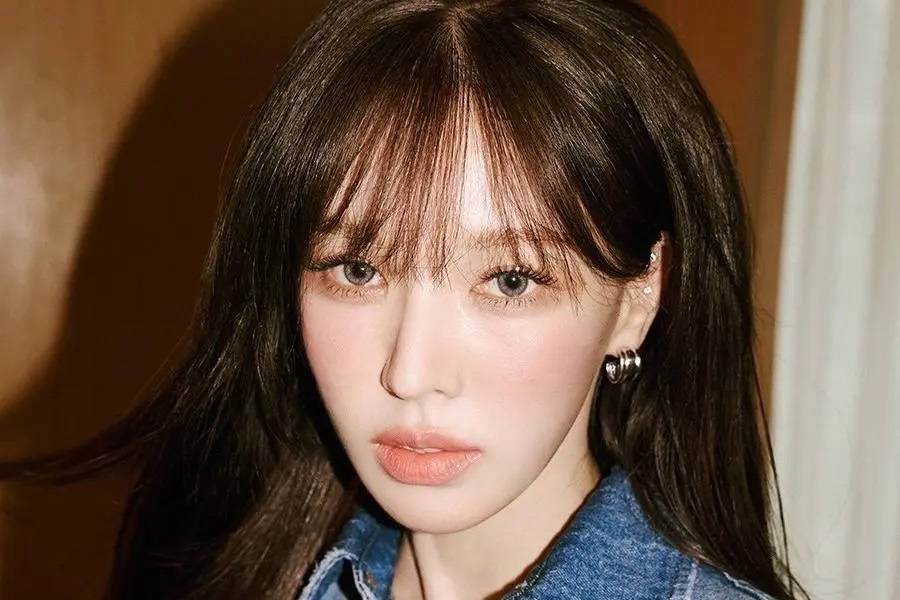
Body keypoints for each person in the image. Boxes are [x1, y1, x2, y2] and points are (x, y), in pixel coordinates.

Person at [3, 0, 807, 598]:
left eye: (510, 280)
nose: (411, 372)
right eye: (358, 271)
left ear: (637, 298)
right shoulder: (234, 572)